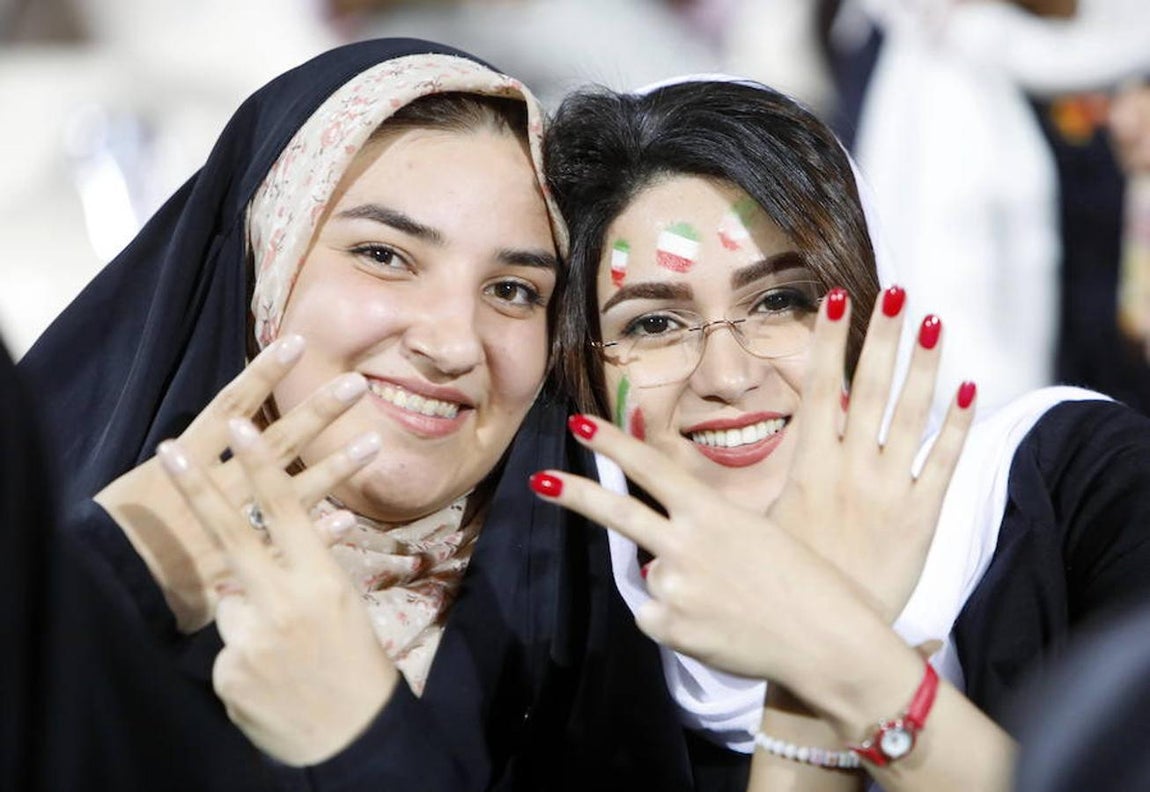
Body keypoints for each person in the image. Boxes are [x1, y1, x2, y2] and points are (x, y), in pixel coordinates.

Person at [16, 38, 699, 791]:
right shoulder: (52, 584)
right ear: (262, 266)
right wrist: (102, 589)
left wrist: (362, 742)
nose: (450, 345)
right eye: (384, 255)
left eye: (513, 290)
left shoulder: (602, 655)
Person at [536, 78, 1150, 790]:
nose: (727, 376)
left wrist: (835, 655)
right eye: (653, 323)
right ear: (579, 367)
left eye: (780, 301)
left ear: (863, 299)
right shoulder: (552, 647)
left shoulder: (1081, 484)